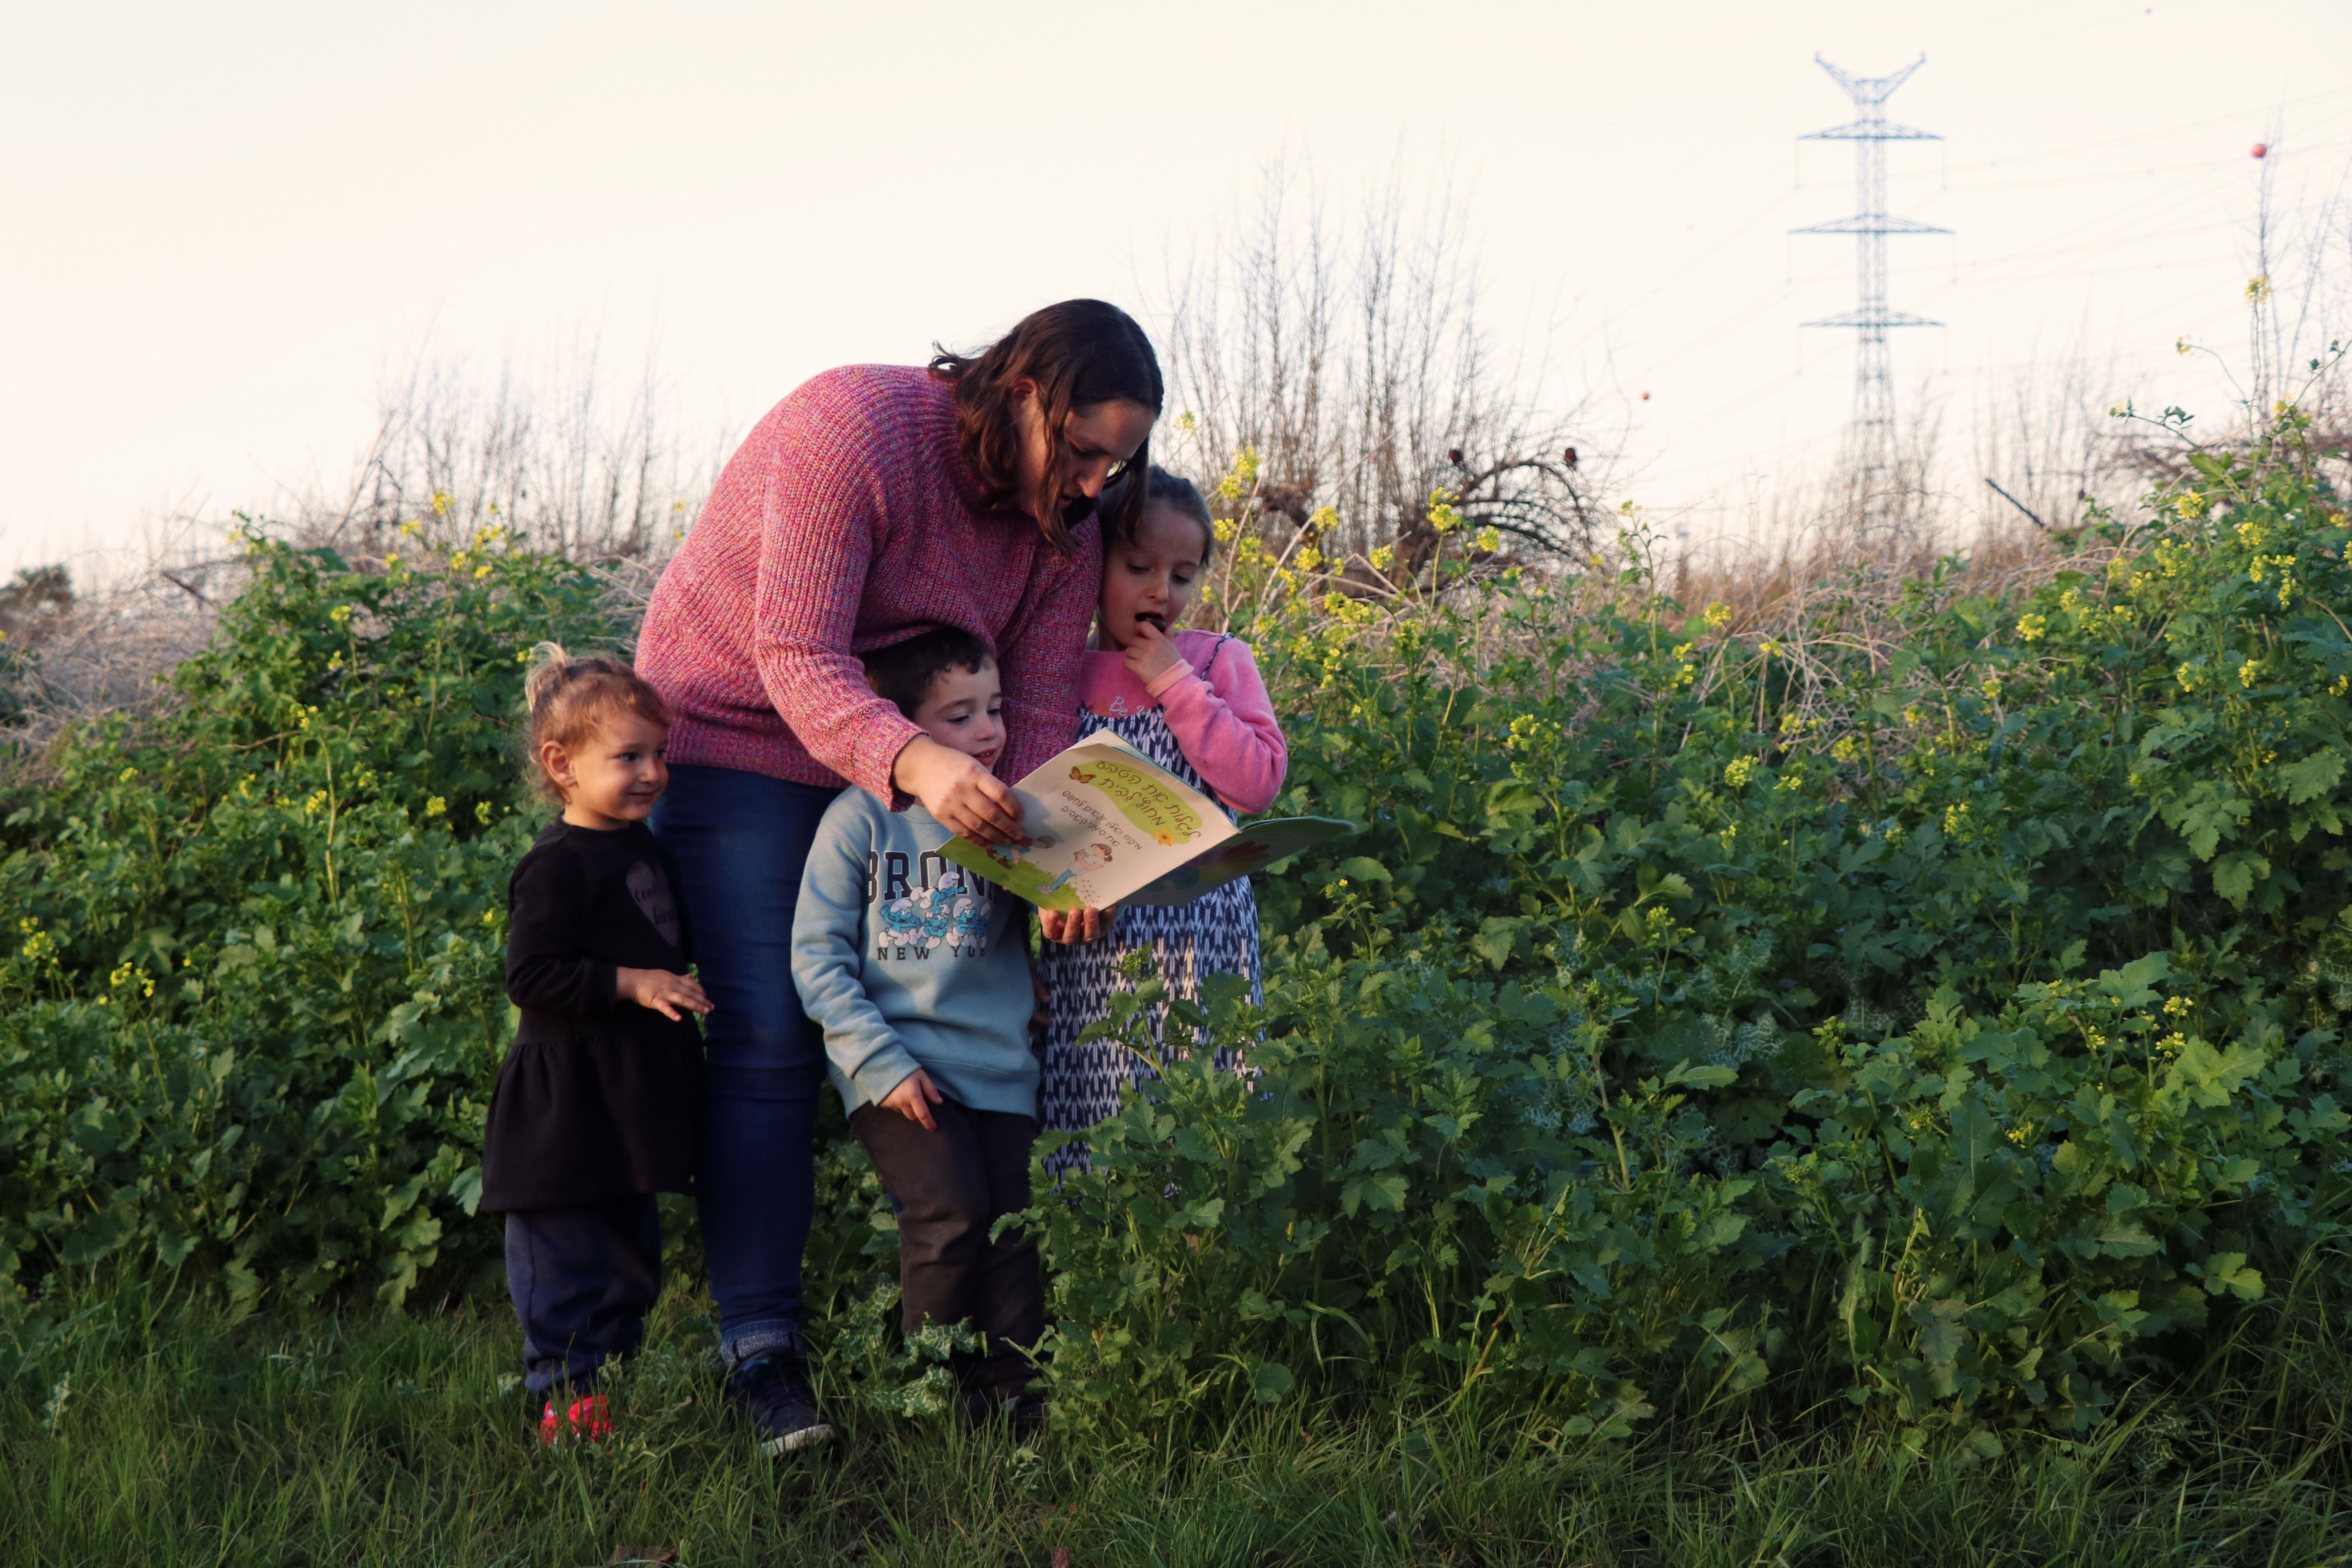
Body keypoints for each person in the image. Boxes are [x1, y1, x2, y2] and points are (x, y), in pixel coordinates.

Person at [635, 300, 1157, 1452]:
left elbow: (1029, 705)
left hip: (925, 750)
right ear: (1021, 392)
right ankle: (762, 1353)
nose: (1089, 487)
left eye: (1117, 464)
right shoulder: (855, 432)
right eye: (1078, 452)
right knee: (773, 1029)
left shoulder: (1063, 519)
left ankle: (979, 1361)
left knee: (960, 986)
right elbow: (799, 654)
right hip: (745, 734)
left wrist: (1047, 865)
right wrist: (915, 762)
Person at [792, 627, 1046, 1426]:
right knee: (950, 1214)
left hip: (1000, 1066)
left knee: (1012, 1230)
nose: (989, 732)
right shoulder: (859, 821)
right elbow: (817, 957)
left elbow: (1058, 914)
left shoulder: (1014, 817)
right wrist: (879, 1062)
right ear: (903, 733)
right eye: (960, 715)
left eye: (996, 709)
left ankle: (1012, 1395)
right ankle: (928, 1397)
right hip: (900, 1069)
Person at [483, 646, 711, 1445]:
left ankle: (610, 1386)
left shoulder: (642, 846)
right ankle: (565, 1402)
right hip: (565, 1103)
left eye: (660, 753)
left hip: (624, 1098)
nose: (652, 772)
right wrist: (634, 982)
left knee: (629, 1258)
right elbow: (533, 974)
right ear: (562, 764)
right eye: (628, 756)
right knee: (566, 1259)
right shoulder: (556, 867)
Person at [1035, 467, 1288, 1173]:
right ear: (1093, 564)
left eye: (1183, 575)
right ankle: (1102, 1257)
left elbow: (1258, 780)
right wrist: (1048, 899)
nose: (1160, 592)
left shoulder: (1217, 660)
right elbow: (1039, 811)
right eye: (1139, 567)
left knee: (1202, 1111)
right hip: (1094, 945)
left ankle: (1200, 1264)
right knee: (1091, 1107)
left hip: (1200, 936)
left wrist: (1176, 681)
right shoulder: (1056, 670)